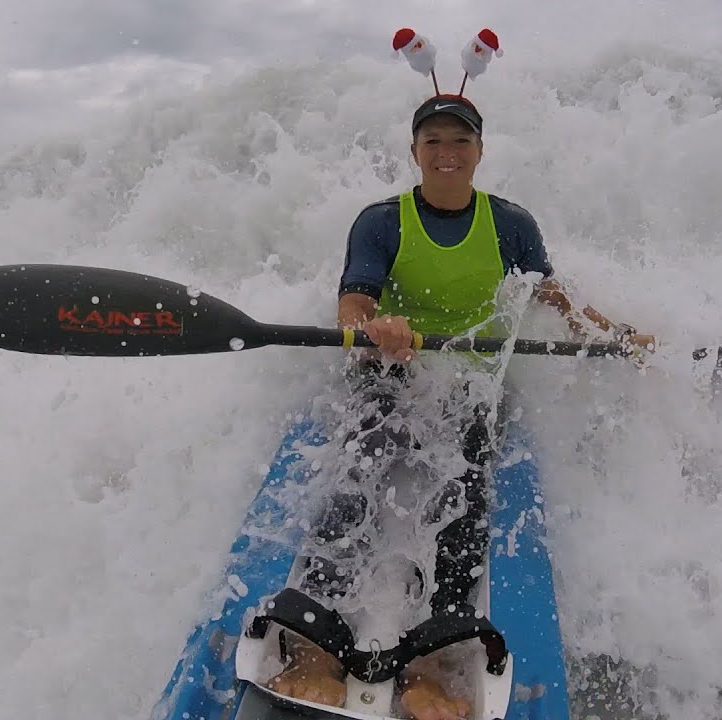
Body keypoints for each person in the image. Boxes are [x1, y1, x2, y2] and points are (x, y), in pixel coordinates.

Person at [265, 94, 657, 720]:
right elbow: (354, 306)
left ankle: (436, 654)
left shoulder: (511, 225)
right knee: (362, 459)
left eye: (460, 142)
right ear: (414, 151)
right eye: (434, 142)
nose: (447, 154)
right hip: (394, 370)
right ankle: (317, 639)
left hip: (472, 380)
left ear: (480, 151)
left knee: (465, 484)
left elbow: (558, 302)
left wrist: (618, 336)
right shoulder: (380, 220)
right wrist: (376, 328)